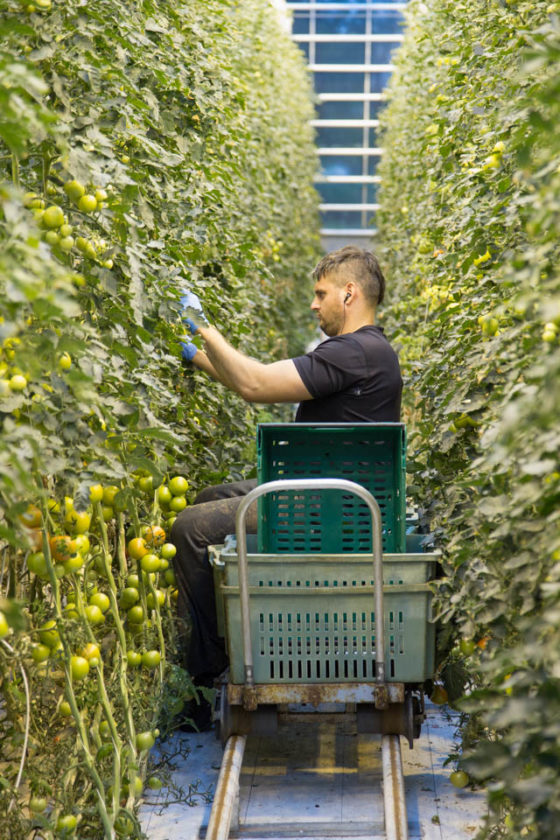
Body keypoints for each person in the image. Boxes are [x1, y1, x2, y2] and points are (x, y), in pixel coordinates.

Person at [170, 245, 402, 729]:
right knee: (211, 500)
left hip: (322, 510)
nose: (314, 305)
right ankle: (230, 640)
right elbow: (255, 383)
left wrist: (203, 326)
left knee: (190, 529)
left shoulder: (353, 353)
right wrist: (200, 360)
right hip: (331, 498)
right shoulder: (369, 353)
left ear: (349, 293)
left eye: (321, 294)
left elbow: (255, 385)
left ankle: (205, 677)